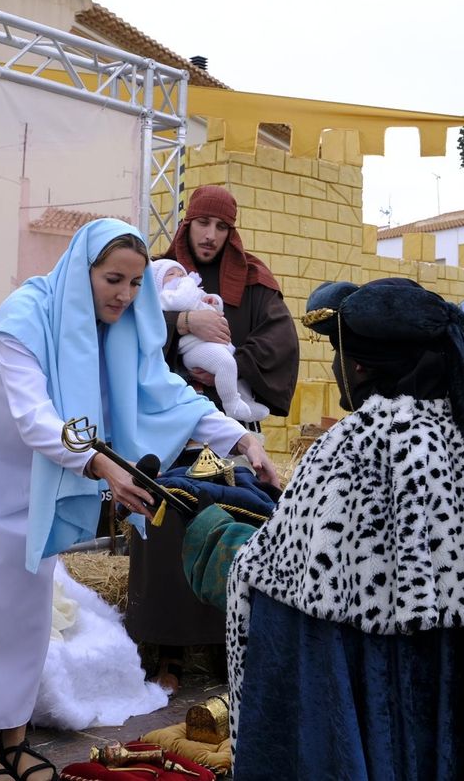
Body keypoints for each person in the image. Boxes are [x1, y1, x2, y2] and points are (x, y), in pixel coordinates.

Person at [0, 219, 278, 781]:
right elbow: (34, 415)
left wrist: (240, 438)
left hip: (36, 460)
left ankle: (13, 735)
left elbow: (163, 390)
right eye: (112, 280)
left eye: (135, 283)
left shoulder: (123, 326)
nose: (124, 295)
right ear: (82, 271)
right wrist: (100, 463)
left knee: (29, 589)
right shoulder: (28, 314)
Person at [181, 277, 464, 779]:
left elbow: (285, 583)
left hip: (378, 704)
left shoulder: (354, 445)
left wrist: (213, 536)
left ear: (361, 365)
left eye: (342, 354)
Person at [134, 184, 300, 690]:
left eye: (221, 226)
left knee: (231, 525)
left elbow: (280, 342)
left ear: (232, 231)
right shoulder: (159, 275)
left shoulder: (255, 283)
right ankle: (169, 653)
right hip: (171, 433)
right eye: (202, 224)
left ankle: (229, 645)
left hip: (229, 435)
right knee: (168, 530)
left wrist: (230, 367)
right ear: (187, 224)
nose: (210, 236)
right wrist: (183, 321)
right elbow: (131, 335)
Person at [151, 258, 268, 422]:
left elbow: (214, 308)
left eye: (181, 273)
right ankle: (231, 404)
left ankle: (247, 403)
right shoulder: (166, 296)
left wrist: (212, 301)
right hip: (194, 348)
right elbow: (182, 301)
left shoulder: (191, 292)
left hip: (217, 343)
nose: (179, 276)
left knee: (236, 368)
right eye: (171, 274)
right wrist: (187, 283)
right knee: (225, 363)